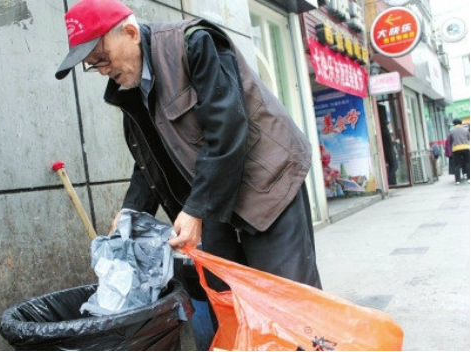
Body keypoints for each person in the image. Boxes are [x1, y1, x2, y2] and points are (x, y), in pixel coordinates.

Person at [55, 0, 321, 292]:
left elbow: (226, 128)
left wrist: (194, 210)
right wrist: (131, 210)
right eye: (94, 65)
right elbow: (151, 159)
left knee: (288, 296)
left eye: (102, 58)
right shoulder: (131, 89)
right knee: (228, 294)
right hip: (216, 194)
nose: (103, 71)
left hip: (268, 184)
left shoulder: (194, 43)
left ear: (130, 32)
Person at [447, 118, 470, 184]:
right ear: (461, 122)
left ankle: (458, 180)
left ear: (454, 124)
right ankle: (469, 178)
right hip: (465, 148)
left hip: (456, 149)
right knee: (467, 163)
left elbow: (450, 140)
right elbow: (468, 138)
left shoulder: (452, 131)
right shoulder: (465, 130)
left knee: (457, 165)